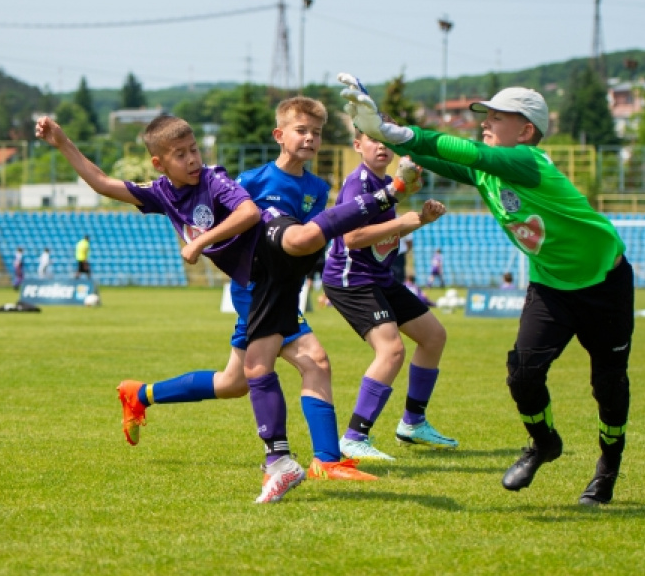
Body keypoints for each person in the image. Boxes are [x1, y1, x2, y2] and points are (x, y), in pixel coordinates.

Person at [36, 110, 410, 503]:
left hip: (263, 278)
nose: (192, 159)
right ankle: (321, 461)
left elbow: (248, 213)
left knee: (235, 383)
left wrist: (199, 242)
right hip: (254, 286)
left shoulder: (214, 180)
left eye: (194, 149)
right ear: (160, 163)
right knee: (312, 362)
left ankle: (140, 394)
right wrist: (62, 141)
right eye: (180, 155)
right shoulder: (162, 192)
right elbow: (102, 183)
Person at [340, 74, 633, 505]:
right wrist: (387, 132)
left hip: (605, 286)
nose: (484, 123)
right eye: (486, 116)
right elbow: (437, 156)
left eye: (497, 116)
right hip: (551, 287)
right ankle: (543, 443)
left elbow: (468, 151)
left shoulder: (527, 162)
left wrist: (398, 132)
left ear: (526, 131)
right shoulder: (489, 174)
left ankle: (607, 470)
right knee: (523, 375)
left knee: (608, 386)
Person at [323, 131, 457, 461]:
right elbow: (353, 237)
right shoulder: (359, 183)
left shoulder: (382, 185)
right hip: (351, 280)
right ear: (357, 146)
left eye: (387, 141)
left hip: (379, 278)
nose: (382, 147)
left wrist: (420, 220)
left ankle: (413, 422)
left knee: (434, 337)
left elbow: (381, 235)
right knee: (392, 350)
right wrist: (405, 221)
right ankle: (354, 437)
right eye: (373, 140)